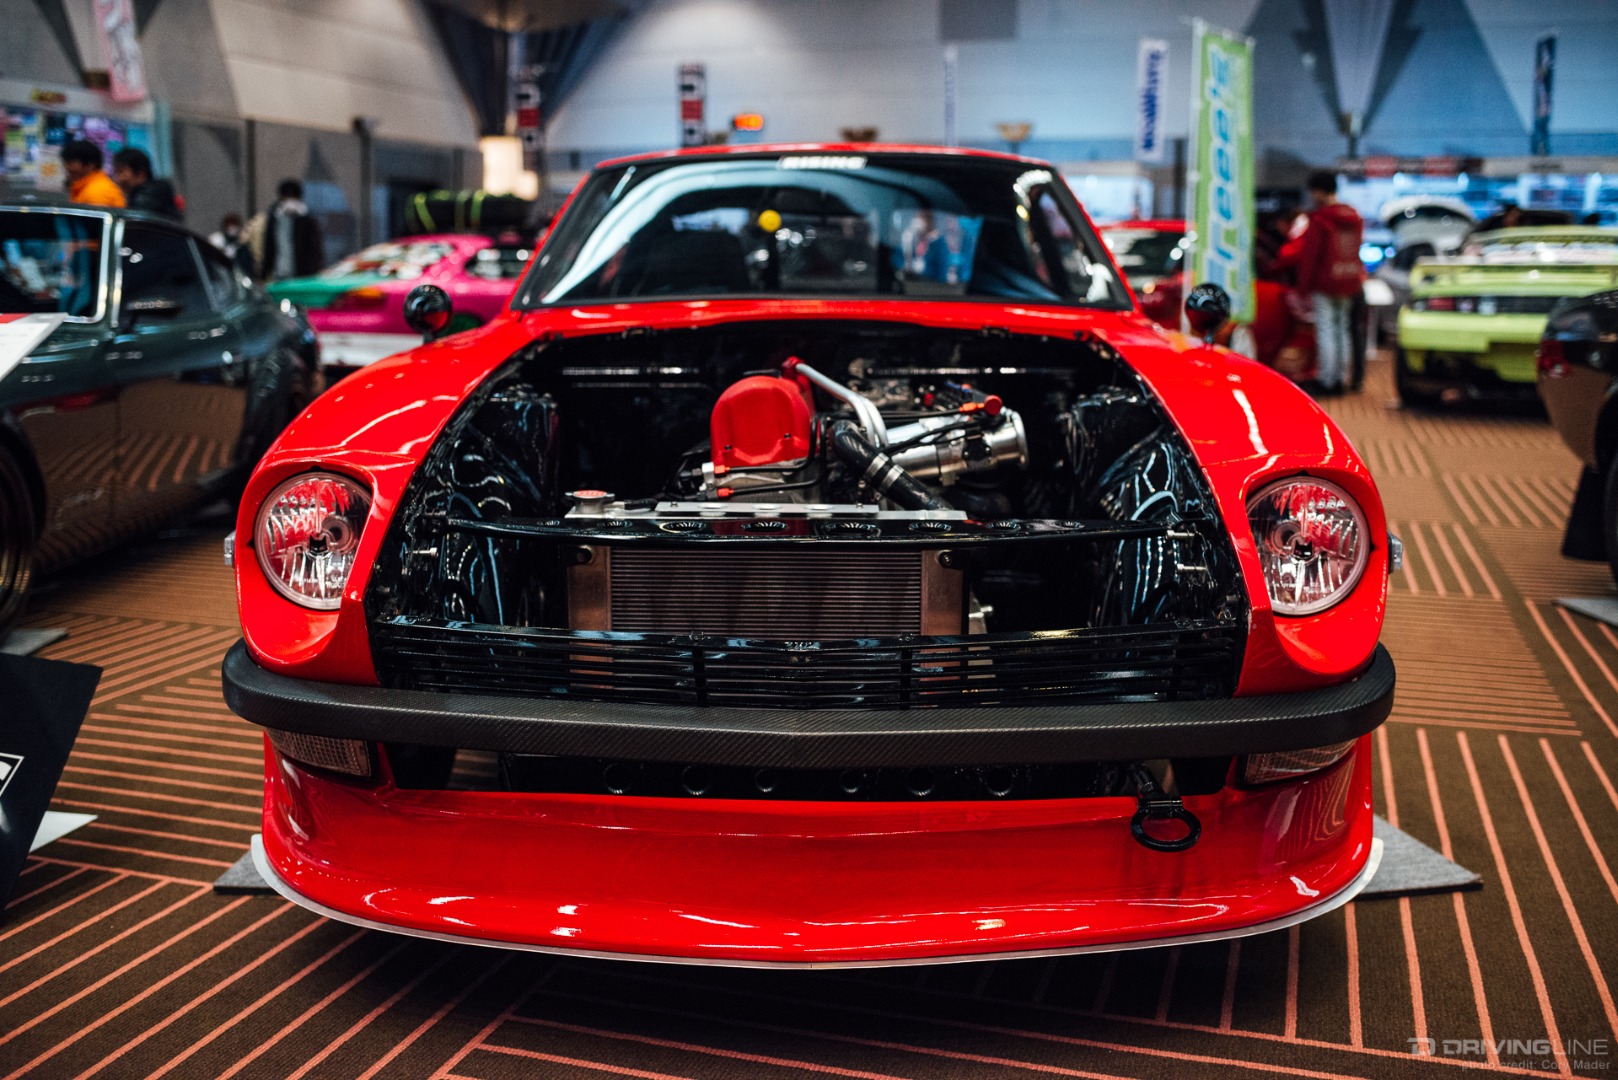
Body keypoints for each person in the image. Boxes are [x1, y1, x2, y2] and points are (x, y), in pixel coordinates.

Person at [1279, 171, 1363, 395]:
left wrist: (1303, 287)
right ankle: (1341, 379)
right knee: (1342, 329)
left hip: (1325, 283)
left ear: (1318, 191)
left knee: (1326, 330)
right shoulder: (1354, 217)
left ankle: (1327, 380)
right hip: (1348, 280)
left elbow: (1311, 256)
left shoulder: (1320, 219)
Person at [260, 179, 324, 281]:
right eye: (286, 198)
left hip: (302, 274)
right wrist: (264, 272)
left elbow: (315, 249)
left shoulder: (307, 220)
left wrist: (313, 271)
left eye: (292, 198)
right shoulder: (275, 219)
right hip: (280, 273)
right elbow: (269, 247)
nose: (289, 202)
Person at [110, 147, 181, 219]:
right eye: (116, 173)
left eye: (121, 172)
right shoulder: (158, 192)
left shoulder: (144, 200)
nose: (117, 179)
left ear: (141, 173)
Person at [62, 140, 125, 208]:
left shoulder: (97, 191)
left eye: (71, 162)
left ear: (90, 165)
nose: (67, 167)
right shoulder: (90, 186)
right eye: (66, 162)